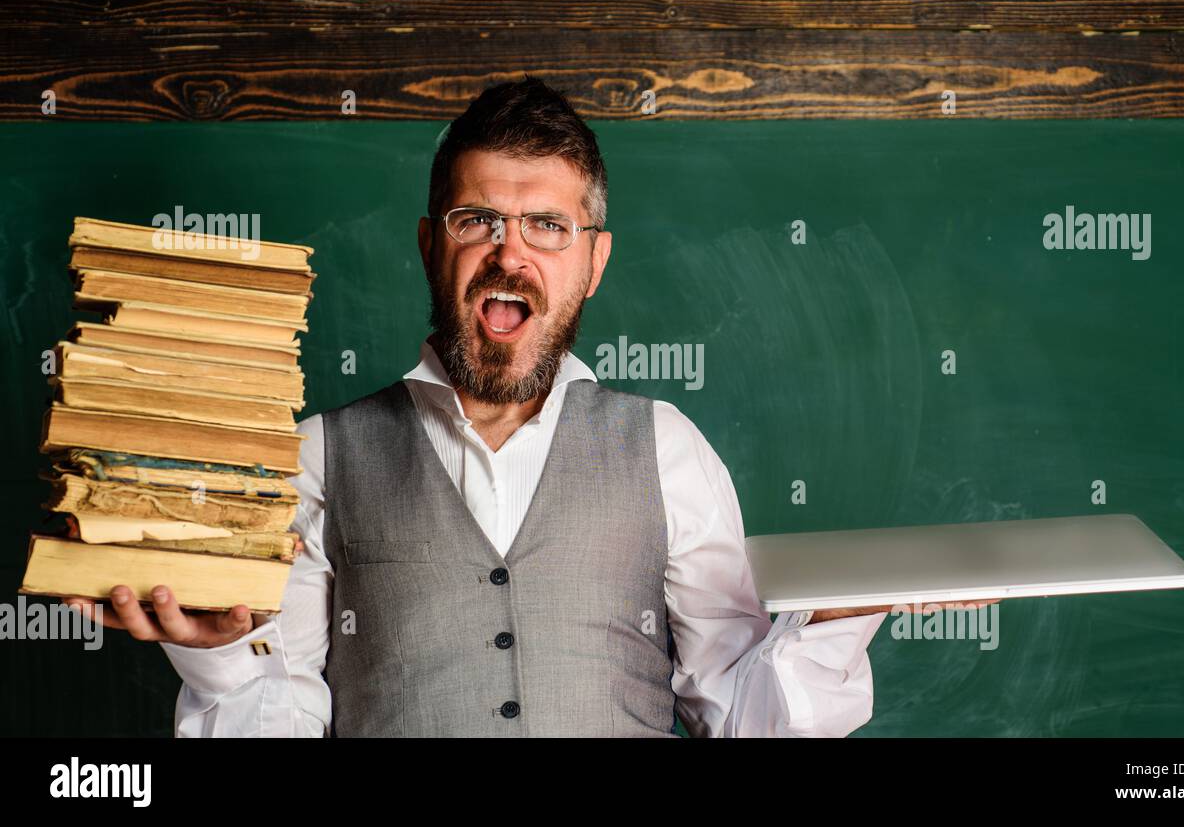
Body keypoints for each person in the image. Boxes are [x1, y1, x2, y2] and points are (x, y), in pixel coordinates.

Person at [65, 76, 989, 737]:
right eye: (479, 221)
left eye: (548, 226)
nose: (512, 254)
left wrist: (831, 622)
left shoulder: (665, 449)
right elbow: (279, 720)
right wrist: (223, 656)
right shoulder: (317, 456)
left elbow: (743, 720)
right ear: (433, 244)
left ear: (593, 260)